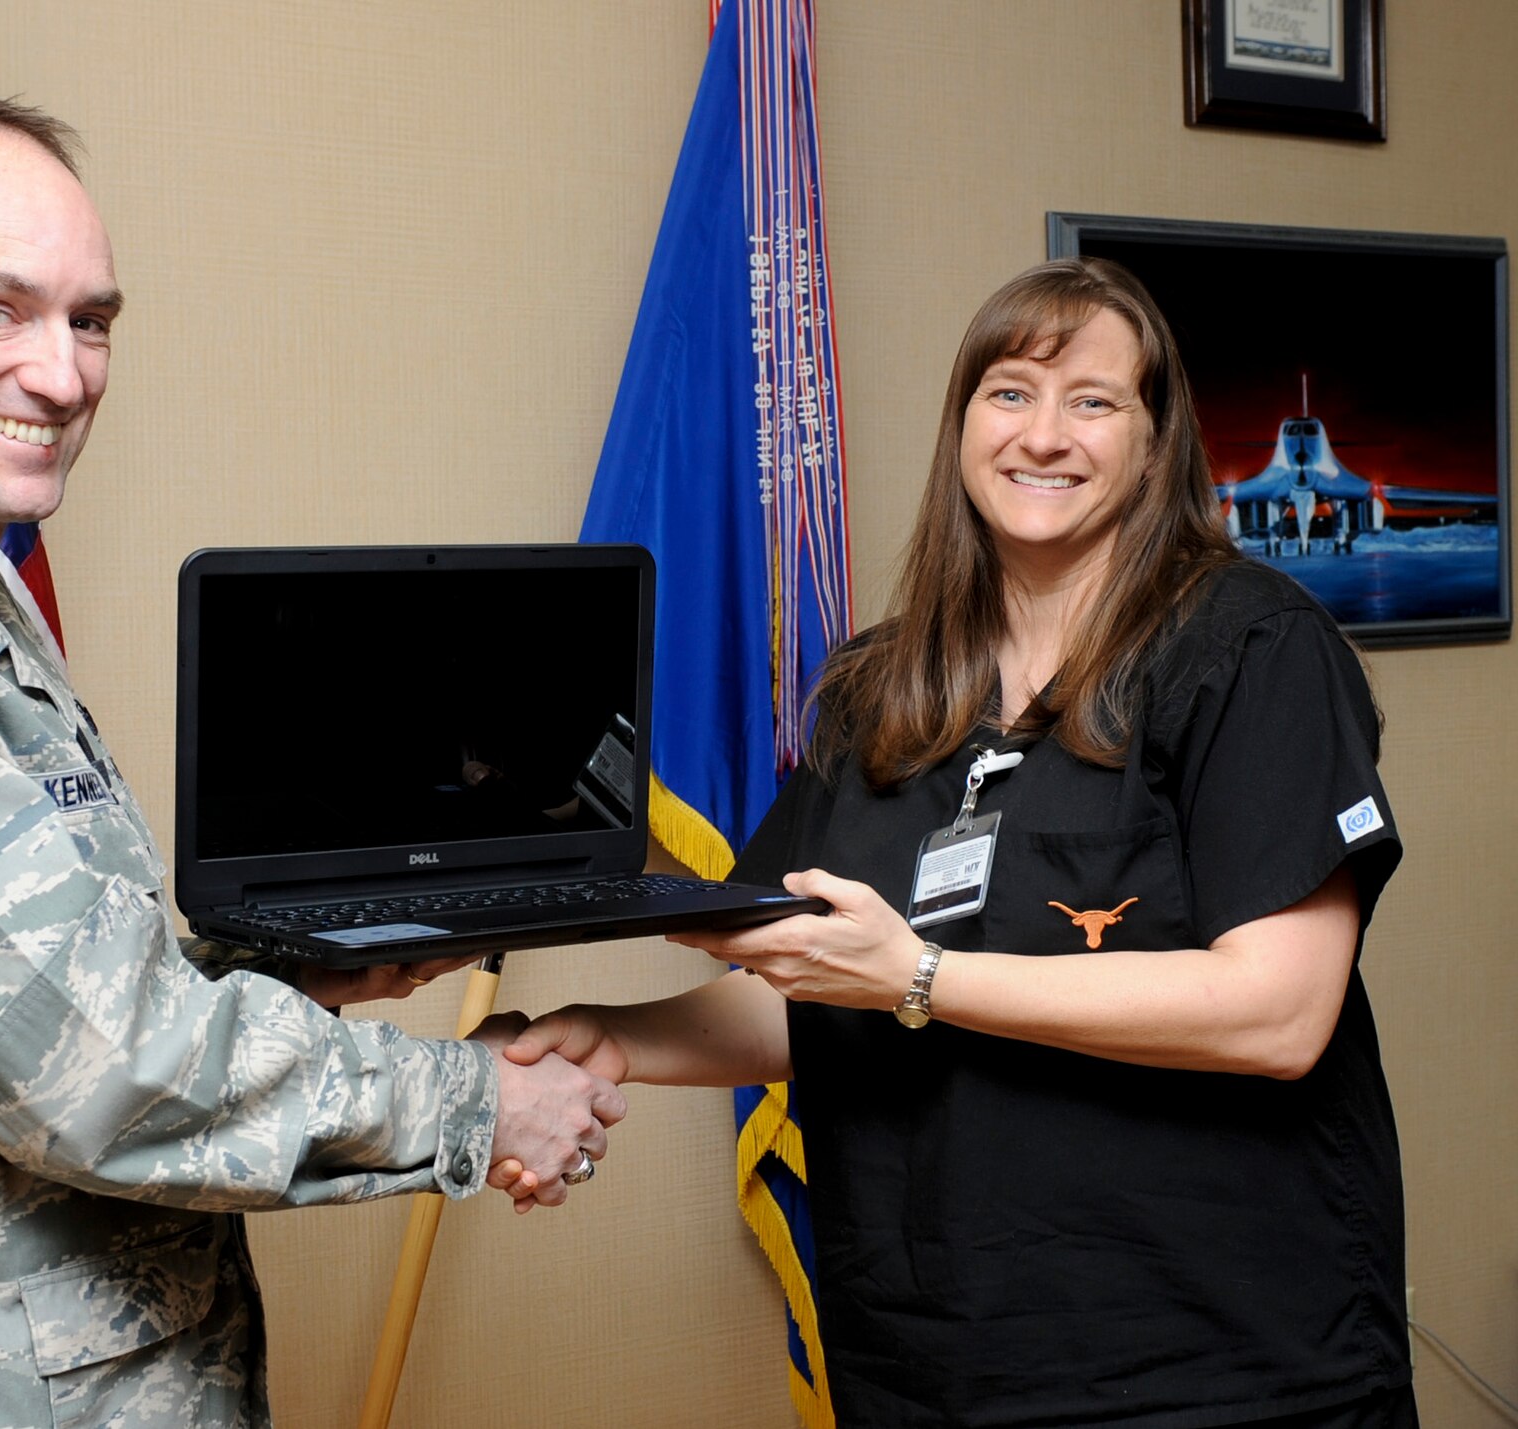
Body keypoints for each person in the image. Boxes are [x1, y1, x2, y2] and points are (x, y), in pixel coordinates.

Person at [0, 98, 622, 1429]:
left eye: (90, 320)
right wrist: (476, 1104)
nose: (63, 372)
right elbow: (101, 1067)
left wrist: (304, 965)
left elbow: (52, 974)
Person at [496, 258, 1414, 1426]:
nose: (1045, 434)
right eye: (1009, 392)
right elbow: (825, 987)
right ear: (962, 425)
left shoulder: (1248, 651)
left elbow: (1277, 1014)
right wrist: (612, 1040)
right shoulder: (881, 687)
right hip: (932, 1364)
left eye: (1092, 401)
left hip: (1213, 1368)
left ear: (1152, 442)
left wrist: (923, 975)